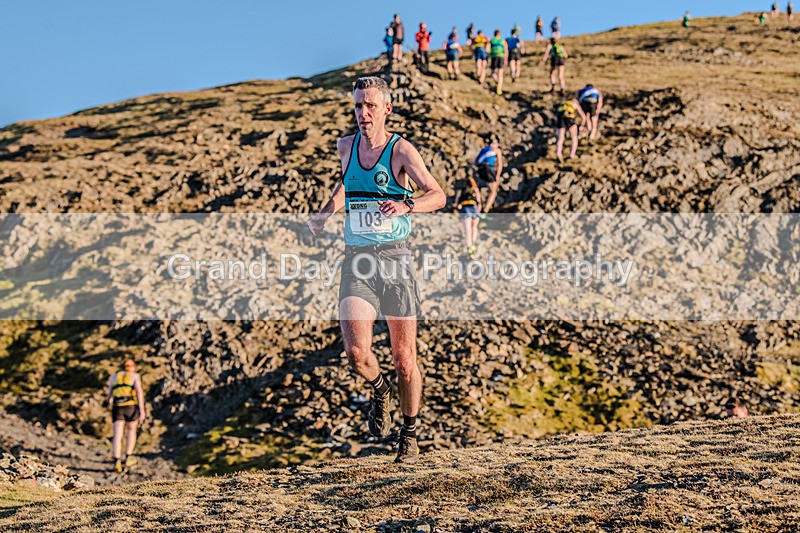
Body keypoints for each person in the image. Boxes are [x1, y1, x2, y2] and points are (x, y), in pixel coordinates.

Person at [307, 77, 446, 464]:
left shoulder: (401, 150)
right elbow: (346, 186)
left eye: (370, 105)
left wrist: (408, 206)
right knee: (356, 353)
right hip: (358, 261)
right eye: (357, 106)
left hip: (395, 260)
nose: (362, 113)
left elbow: (439, 194)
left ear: (387, 108)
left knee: (405, 359)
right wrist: (325, 213)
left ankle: (410, 432)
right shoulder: (345, 147)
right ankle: (379, 389)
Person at [105, 358, 145, 473]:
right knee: (131, 431)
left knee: (118, 434)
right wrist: (142, 410)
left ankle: (116, 461)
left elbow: (109, 396)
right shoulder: (135, 376)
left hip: (118, 407)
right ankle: (128, 457)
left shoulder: (114, 377)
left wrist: (108, 403)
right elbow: (139, 392)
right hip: (131, 406)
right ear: (132, 367)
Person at [453, 174, 482, 259]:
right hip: (469, 208)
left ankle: (471, 245)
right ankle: (470, 245)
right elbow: (479, 202)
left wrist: (457, 208)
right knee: (471, 228)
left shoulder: (465, 190)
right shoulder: (472, 189)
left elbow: (456, 203)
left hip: (468, 208)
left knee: (470, 228)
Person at [475, 135, 503, 213]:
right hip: (489, 169)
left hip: (480, 170)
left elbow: (475, 162)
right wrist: (497, 176)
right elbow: (500, 164)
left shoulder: (483, 149)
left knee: (479, 189)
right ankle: (485, 211)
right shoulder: (496, 150)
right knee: (493, 191)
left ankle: (477, 207)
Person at [489, 29, 508, 95]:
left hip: (494, 57)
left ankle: (498, 84)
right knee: (500, 73)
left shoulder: (491, 40)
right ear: (499, 34)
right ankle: (499, 87)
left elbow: (487, 49)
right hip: (501, 57)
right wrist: (506, 59)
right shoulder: (502, 41)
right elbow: (506, 50)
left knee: (493, 73)